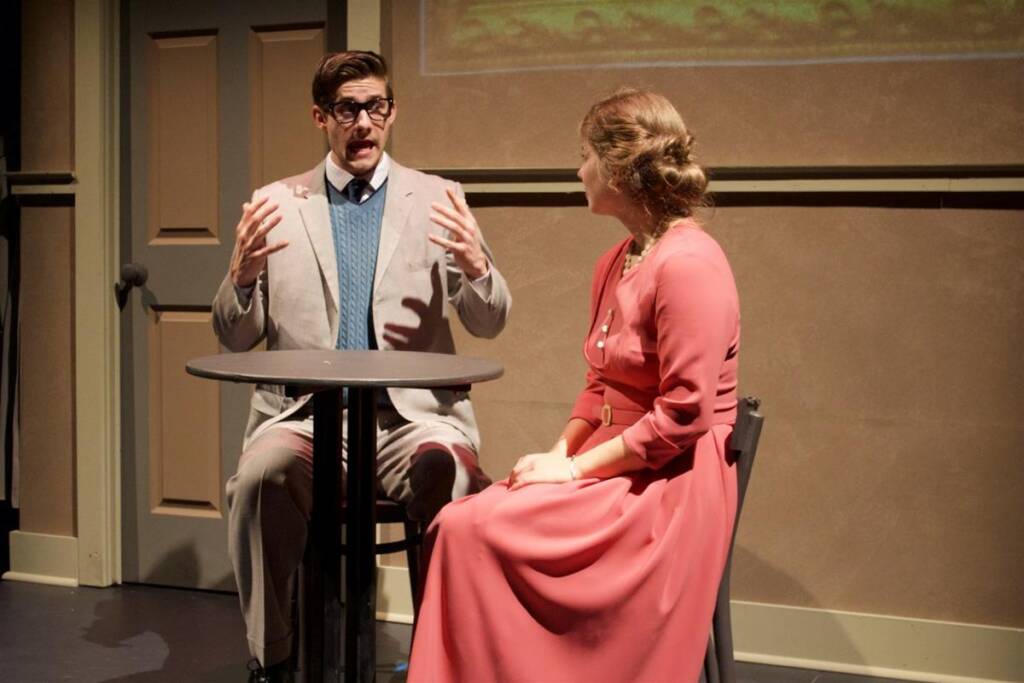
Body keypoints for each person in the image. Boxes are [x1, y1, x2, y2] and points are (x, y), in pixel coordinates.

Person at [408, 89, 740, 682]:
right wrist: (561, 450)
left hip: (668, 486)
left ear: (619, 168)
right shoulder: (616, 260)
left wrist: (574, 472)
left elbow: (683, 416)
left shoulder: (691, 263)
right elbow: (599, 383)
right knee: (461, 524)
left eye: (586, 155)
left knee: (472, 529)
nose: (579, 169)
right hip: (612, 464)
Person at [211, 51, 511, 682]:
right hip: (303, 420)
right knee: (259, 479)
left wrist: (479, 269)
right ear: (322, 117)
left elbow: (489, 321)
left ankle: (442, 657)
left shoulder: (439, 199)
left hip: (411, 420)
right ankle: (275, 655)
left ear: (392, 112)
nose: (363, 123)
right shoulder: (276, 203)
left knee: (451, 478)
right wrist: (240, 278)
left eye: (376, 107)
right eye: (347, 109)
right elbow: (236, 336)